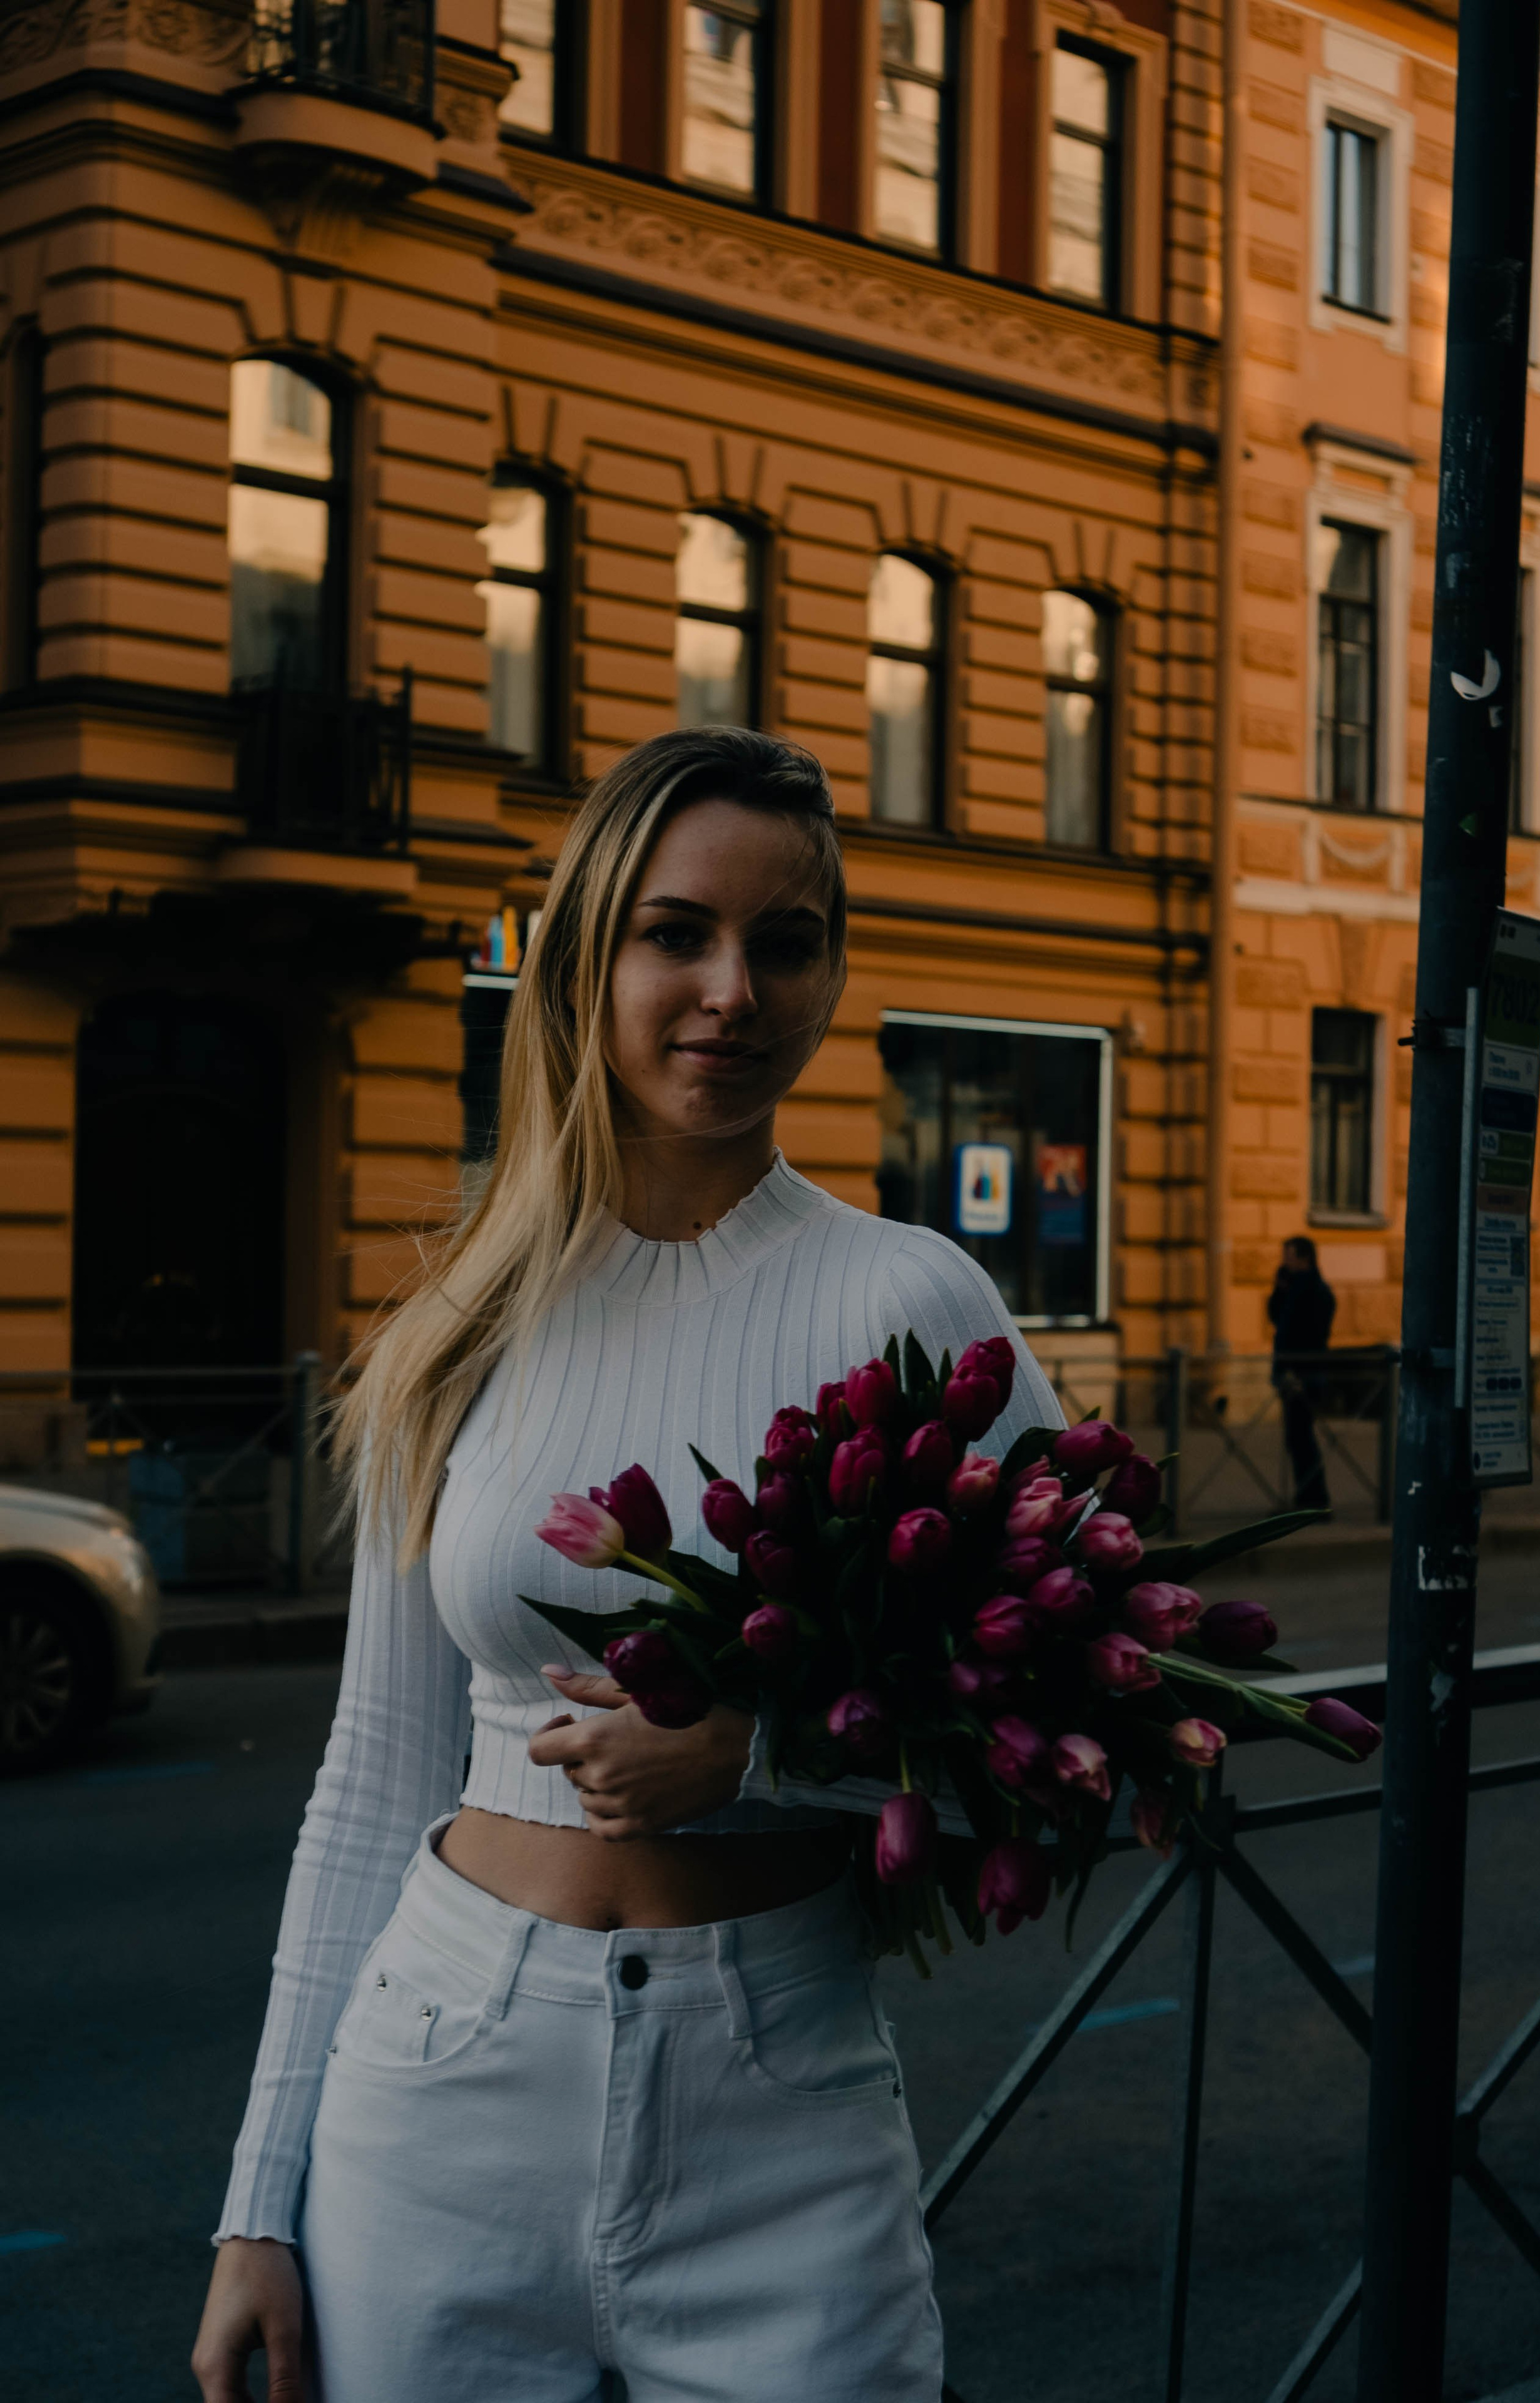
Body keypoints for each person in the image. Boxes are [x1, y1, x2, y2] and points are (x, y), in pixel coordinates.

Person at [192, 726, 1063, 2403]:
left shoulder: (914, 1305)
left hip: (780, 2110)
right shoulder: (461, 1324)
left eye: (787, 942)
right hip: (436, 2095)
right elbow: (373, 1779)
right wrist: (257, 2212)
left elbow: (1076, 1745)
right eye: (679, 933)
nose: (735, 993)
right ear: (588, 950)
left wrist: (769, 1754)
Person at [1268, 1235, 1335, 1511]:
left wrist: (1293, 1367)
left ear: (1304, 1258)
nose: (1285, 1261)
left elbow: (1306, 1331)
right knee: (1296, 1438)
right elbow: (1276, 1317)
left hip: (1304, 1375)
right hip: (1294, 1373)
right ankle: (1307, 1498)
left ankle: (1314, 1501)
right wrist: (1279, 1288)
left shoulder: (1315, 1291)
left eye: (1289, 1256)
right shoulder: (1295, 1287)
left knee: (1302, 1439)